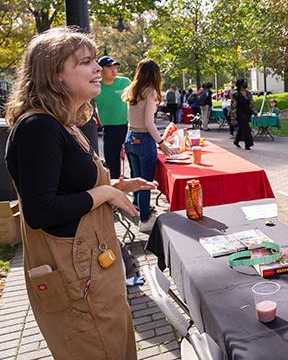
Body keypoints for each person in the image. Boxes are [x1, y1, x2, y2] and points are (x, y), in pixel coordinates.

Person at [4, 27, 157, 359]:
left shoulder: (63, 124)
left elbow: (67, 188)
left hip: (92, 273)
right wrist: (105, 194)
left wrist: (117, 187)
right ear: (55, 73)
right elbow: (41, 210)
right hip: (76, 283)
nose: (98, 69)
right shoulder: (38, 128)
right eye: (86, 62)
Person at [123, 59, 175, 232]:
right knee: (145, 182)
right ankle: (145, 220)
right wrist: (161, 143)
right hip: (144, 139)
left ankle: (139, 210)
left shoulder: (133, 90)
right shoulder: (150, 92)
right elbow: (149, 122)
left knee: (137, 180)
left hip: (130, 137)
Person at [93, 55, 131, 180]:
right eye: (109, 67)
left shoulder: (125, 82)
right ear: (100, 69)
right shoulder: (95, 86)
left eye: (115, 67)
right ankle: (114, 192)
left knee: (132, 159)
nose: (114, 70)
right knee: (112, 163)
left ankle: (137, 192)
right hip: (109, 129)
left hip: (128, 127)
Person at [233, 78, 255, 150]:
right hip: (239, 113)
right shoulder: (236, 94)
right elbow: (233, 106)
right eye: (244, 82)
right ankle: (248, 145)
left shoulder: (248, 93)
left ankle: (236, 141)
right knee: (246, 128)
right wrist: (233, 117)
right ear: (241, 84)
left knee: (242, 128)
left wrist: (255, 112)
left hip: (247, 113)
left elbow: (252, 104)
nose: (246, 84)